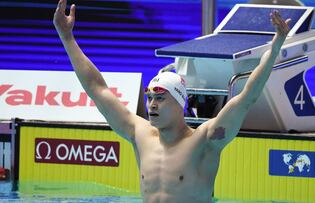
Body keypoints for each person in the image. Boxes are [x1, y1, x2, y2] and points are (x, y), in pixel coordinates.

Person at [53, 0, 291, 202]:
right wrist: (67, 39)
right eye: (149, 98)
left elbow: (247, 96)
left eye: (160, 98)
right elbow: (97, 88)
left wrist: (276, 45)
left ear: (179, 102)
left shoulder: (205, 141)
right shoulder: (139, 133)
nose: (152, 105)